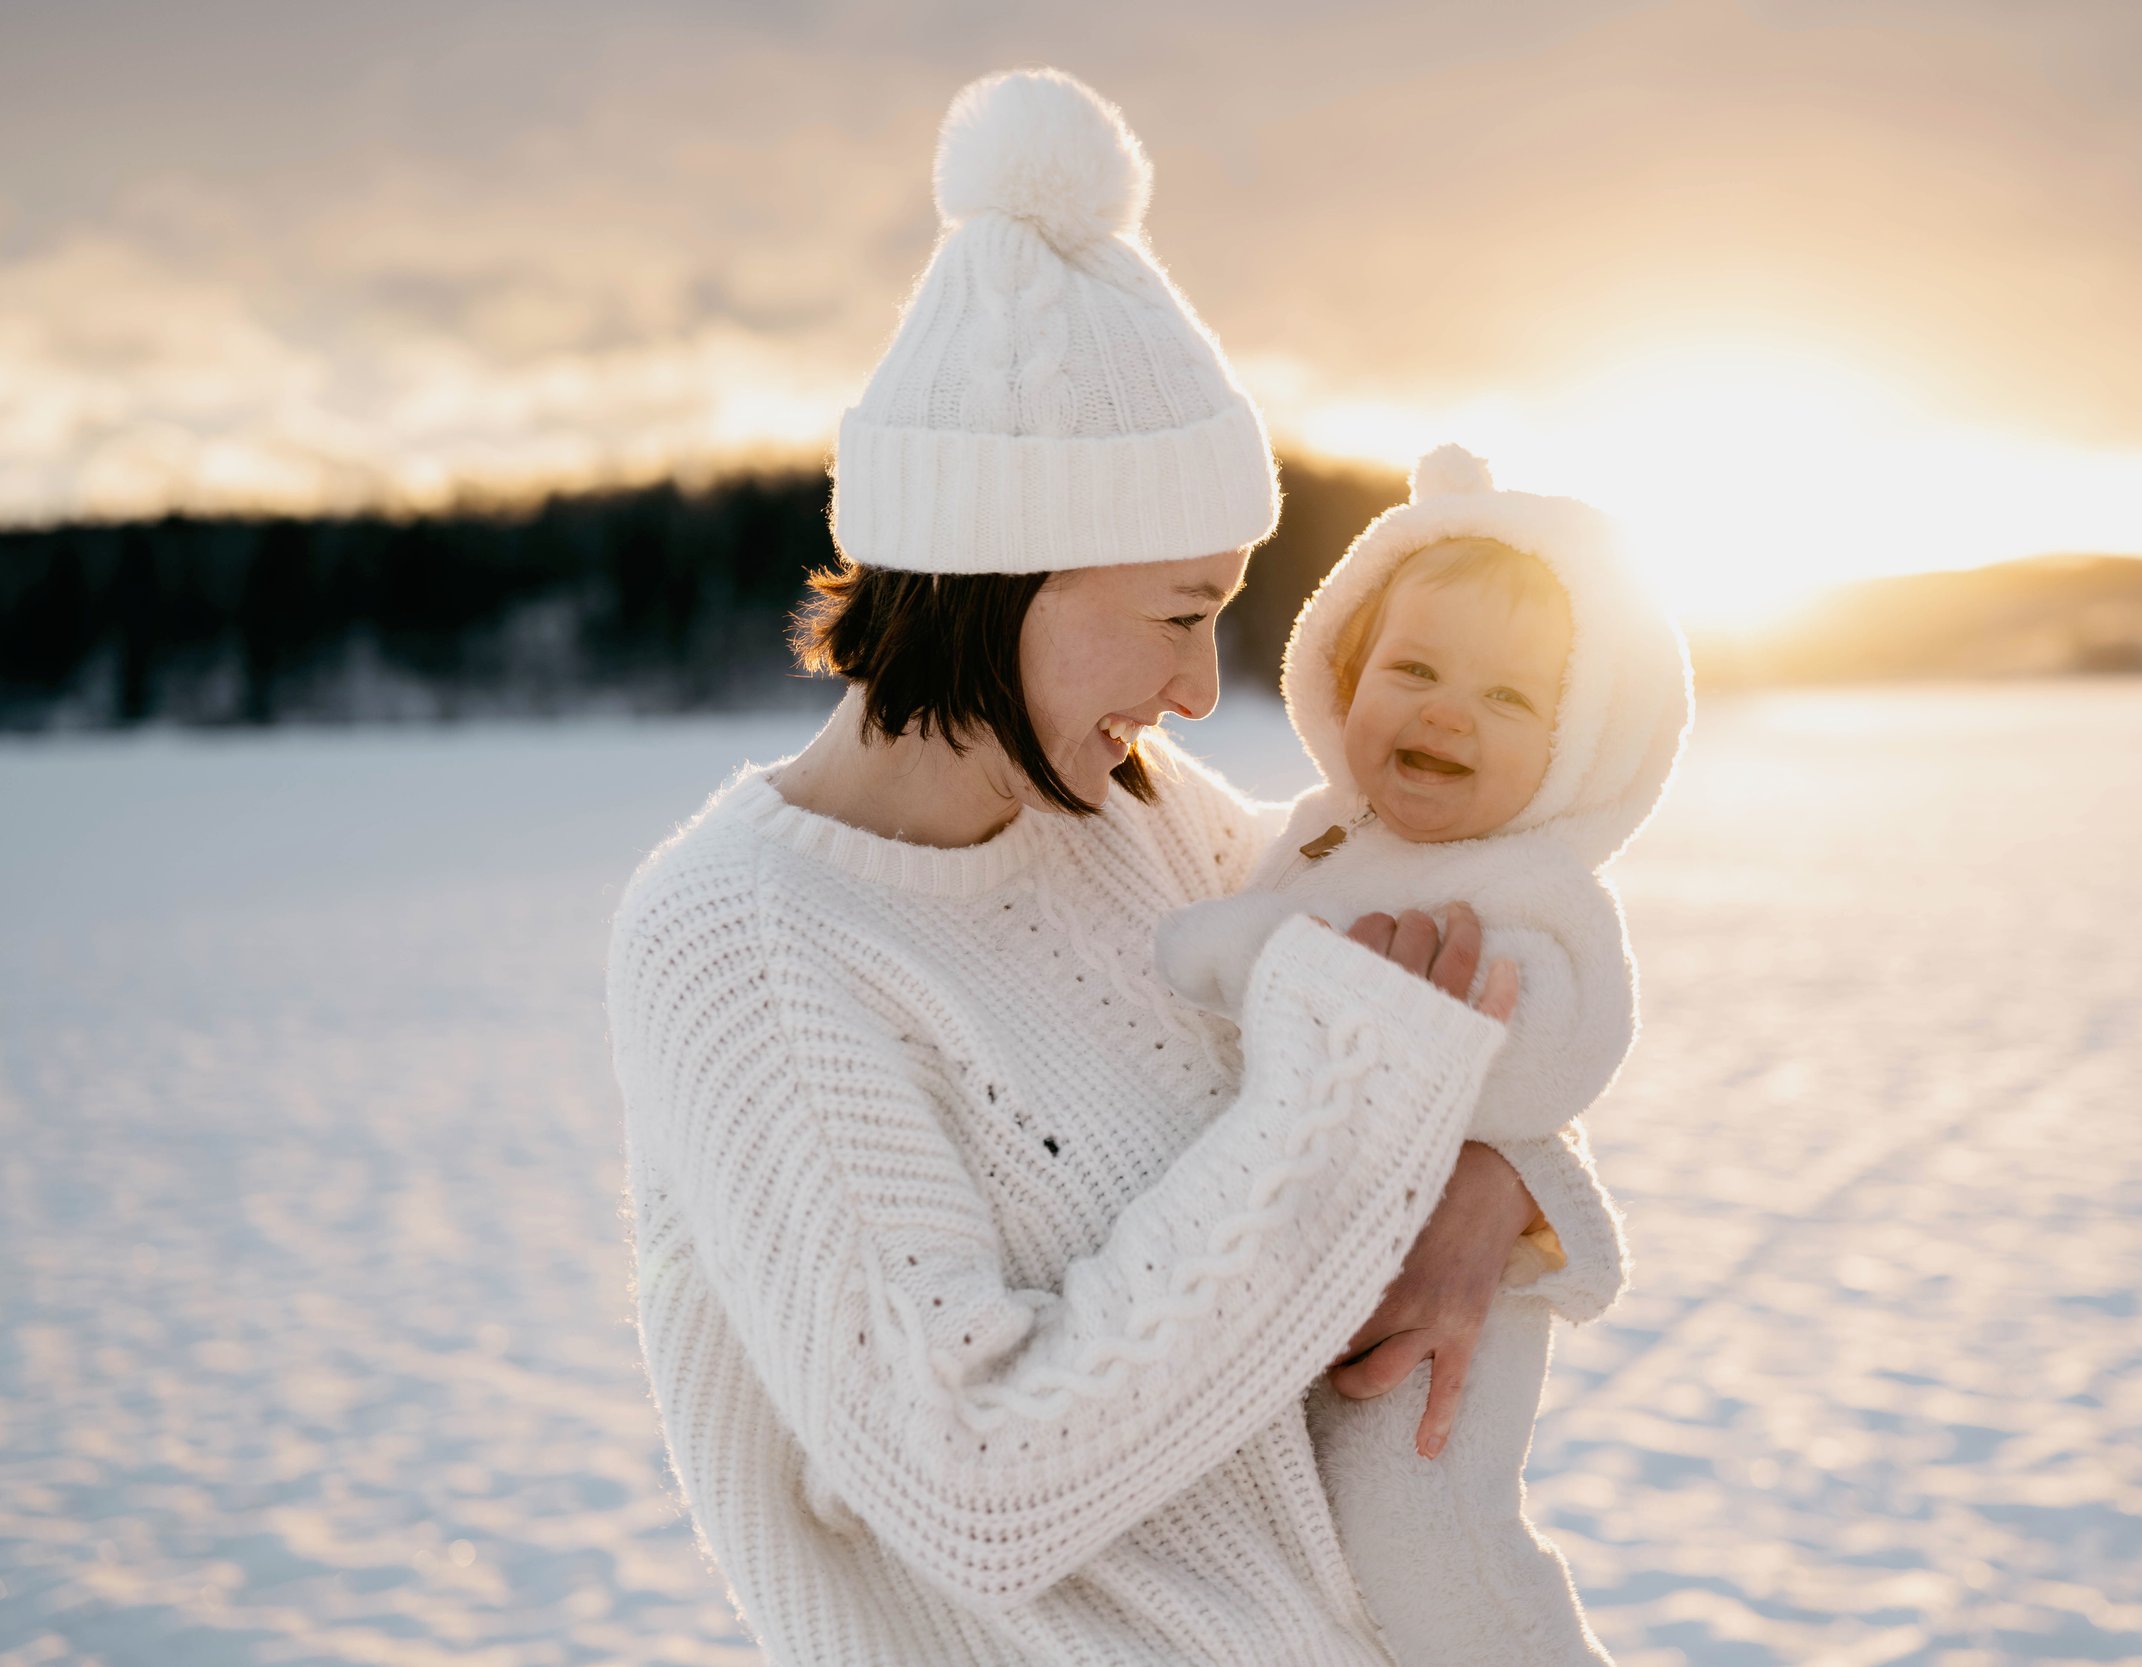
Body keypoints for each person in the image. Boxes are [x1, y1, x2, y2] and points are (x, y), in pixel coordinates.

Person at [606, 67, 1629, 1665]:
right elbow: (974, 1490)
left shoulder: (1133, 813)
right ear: (999, 564)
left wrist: (1501, 1187)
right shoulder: (744, 944)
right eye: (1176, 609)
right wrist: (1360, 1110)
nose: (1204, 687)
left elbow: (1456, 1034)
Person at [1155, 444, 1691, 1664]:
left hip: (1446, 1315)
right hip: (1309, 1276)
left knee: (1419, 1534)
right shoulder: (1316, 837)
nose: (1449, 710)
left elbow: (1549, 1055)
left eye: (1511, 699)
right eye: (1413, 668)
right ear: (1343, 676)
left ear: (1576, 744)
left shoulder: (1530, 883)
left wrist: (1262, 956)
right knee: (1312, 1565)